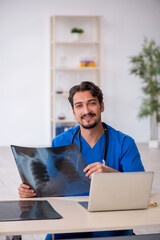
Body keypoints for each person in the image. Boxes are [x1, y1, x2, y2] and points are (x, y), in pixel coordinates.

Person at [18, 81, 145, 239]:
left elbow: (140, 190)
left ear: (102, 106)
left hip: (111, 220)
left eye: (91, 103)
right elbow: (48, 188)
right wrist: (31, 191)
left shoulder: (124, 143)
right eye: (79, 106)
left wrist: (112, 175)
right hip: (68, 220)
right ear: (73, 111)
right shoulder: (60, 142)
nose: (86, 111)